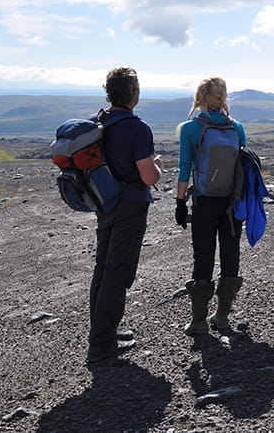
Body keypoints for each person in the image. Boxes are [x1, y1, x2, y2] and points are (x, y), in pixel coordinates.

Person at [87, 67, 162, 364]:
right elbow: (147, 177)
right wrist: (157, 165)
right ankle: (101, 344)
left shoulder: (98, 123)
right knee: (118, 273)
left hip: (104, 202)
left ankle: (103, 331)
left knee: (103, 268)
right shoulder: (137, 128)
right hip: (130, 205)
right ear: (134, 94)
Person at [175, 77, 247, 335]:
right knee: (231, 256)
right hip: (231, 205)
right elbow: (242, 168)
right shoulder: (237, 127)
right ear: (223, 97)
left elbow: (185, 169)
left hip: (204, 203)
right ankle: (223, 317)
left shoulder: (189, 128)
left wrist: (180, 202)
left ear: (201, 97)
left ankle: (198, 322)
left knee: (203, 257)